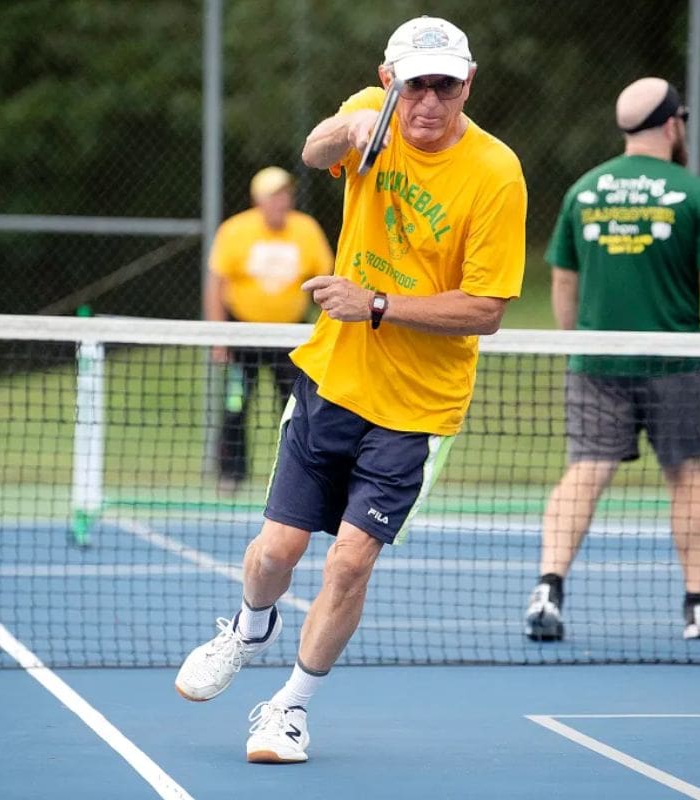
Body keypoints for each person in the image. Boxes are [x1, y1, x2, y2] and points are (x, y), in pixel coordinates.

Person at [175, 15, 526, 764]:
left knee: (349, 561)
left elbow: (486, 310)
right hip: (332, 378)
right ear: (388, 78)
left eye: (446, 85)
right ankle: (248, 626)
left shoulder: (497, 174)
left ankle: (290, 708)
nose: (430, 101)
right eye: (415, 85)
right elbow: (312, 150)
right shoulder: (371, 118)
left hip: (416, 408)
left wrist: (376, 304)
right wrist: (355, 128)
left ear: (470, 84)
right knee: (276, 553)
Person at [524, 77, 700, 644]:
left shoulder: (584, 190)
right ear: (673, 124)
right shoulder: (697, 194)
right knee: (686, 474)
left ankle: (548, 588)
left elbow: (562, 278)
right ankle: (697, 605)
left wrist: (573, 342)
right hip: (677, 360)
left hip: (596, 361)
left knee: (585, 471)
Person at [203, 166, 334, 494]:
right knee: (236, 404)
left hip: (288, 336)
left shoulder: (306, 230)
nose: (281, 201)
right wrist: (219, 337)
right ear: (258, 199)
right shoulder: (236, 230)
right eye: (274, 195)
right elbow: (216, 284)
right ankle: (231, 473)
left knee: (295, 405)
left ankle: (296, 474)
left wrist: (326, 331)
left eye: (286, 194)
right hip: (242, 335)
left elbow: (327, 279)